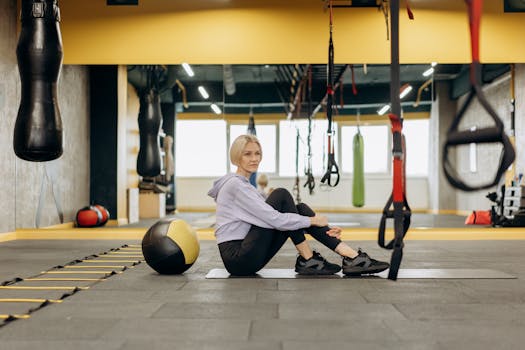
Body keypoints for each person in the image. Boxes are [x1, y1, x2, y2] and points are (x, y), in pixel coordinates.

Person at [207, 134, 389, 276]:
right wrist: (313, 221)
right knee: (281, 195)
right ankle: (311, 259)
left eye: (257, 153)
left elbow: (279, 219)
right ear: (237, 156)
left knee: (299, 209)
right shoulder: (235, 185)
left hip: (245, 255)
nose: (254, 158)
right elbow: (274, 219)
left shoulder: (244, 185)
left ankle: (348, 256)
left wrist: (323, 226)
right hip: (239, 258)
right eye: (248, 154)